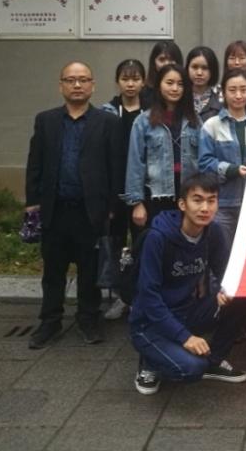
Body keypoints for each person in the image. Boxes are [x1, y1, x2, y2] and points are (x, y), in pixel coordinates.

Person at [25, 62, 124, 349]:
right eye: (70, 80)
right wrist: (32, 203)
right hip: (55, 209)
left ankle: (88, 319)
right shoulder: (46, 121)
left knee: (89, 270)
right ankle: (50, 321)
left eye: (83, 80)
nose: (77, 85)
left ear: (93, 85)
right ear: (61, 86)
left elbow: (116, 167)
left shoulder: (108, 122)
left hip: (90, 211)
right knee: (53, 271)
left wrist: (112, 207)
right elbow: (35, 164)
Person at [129, 173, 246, 395]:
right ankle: (149, 362)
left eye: (211, 201)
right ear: (182, 204)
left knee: (243, 296)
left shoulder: (213, 232)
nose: (205, 208)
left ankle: (214, 361)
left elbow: (226, 274)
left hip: (188, 311)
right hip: (149, 322)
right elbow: (148, 296)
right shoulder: (158, 237)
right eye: (197, 200)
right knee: (191, 369)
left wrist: (225, 291)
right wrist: (184, 337)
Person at [123, 64, 200, 234]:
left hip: (189, 194)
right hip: (156, 196)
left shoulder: (194, 120)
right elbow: (135, 164)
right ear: (159, 85)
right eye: (169, 83)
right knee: (157, 242)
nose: (175, 88)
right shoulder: (143, 121)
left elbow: (203, 160)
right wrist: (137, 203)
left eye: (180, 84)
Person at [197, 69, 246, 242]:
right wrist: (232, 170)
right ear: (223, 92)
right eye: (232, 90)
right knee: (223, 250)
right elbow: (204, 163)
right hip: (222, 202)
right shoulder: (212, 125)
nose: (238, 95)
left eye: (244, 90)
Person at [101, 58, 147, 321]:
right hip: (115, 189)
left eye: (135, 78)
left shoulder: (151, 111)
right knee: (115, 244)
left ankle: (140, 295)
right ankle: (120, 296)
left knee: (143, 243)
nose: (130, 84)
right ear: (117, 81)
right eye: (125, 79)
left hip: (144, 190)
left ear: (143, 82)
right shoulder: (107, 112)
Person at [186, 46, 222, 122]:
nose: (199, 73)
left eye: (205, 68)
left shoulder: (221, 103)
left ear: (213, 70)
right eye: (195, 67)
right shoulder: (179, 100)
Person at [143, 41, 183, 107]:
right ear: (154, 62)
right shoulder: (144, 92)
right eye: (162, 60)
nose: (166, 64)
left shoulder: (186, 89)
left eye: (171, 59)